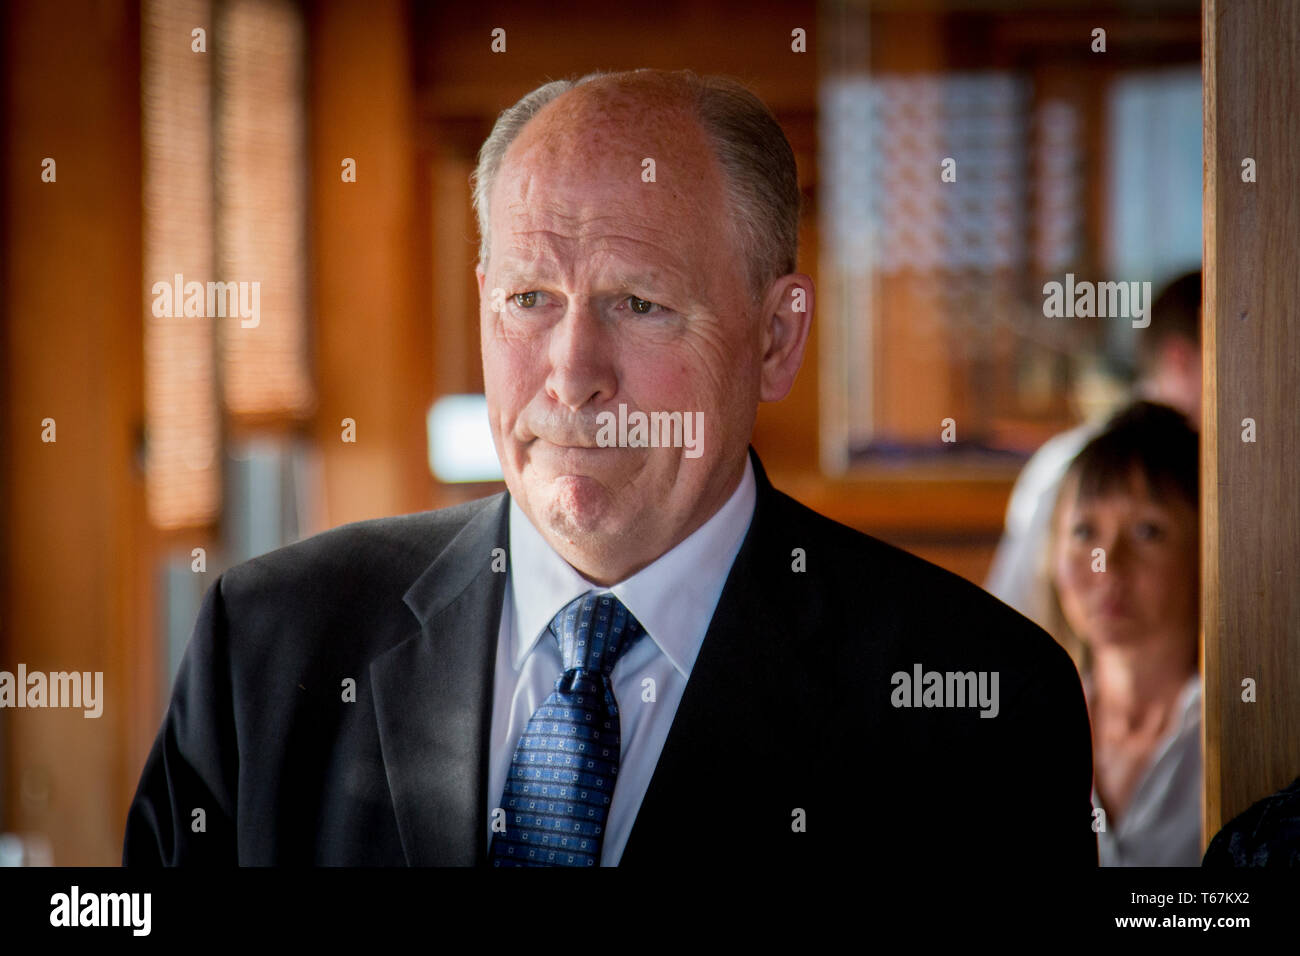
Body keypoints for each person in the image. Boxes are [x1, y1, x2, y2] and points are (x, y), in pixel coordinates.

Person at [123, 68, 1096, 867]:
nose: (571, 372)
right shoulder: (267, 644)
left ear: (776, 336)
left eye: (638, 302)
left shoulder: (980, 704)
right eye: (530, 296)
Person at [985, 270, 1201, 627]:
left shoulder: (1226, 464)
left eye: (1148, 532)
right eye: (1085, 532)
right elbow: (1010, 616)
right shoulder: (1071, 464)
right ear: (1179, 358)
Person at [1046, 401, 1201, 865]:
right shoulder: (1030, 722)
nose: (1106, 562)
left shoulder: (1243, 732)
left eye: (1147, 531)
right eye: (1083, 531)